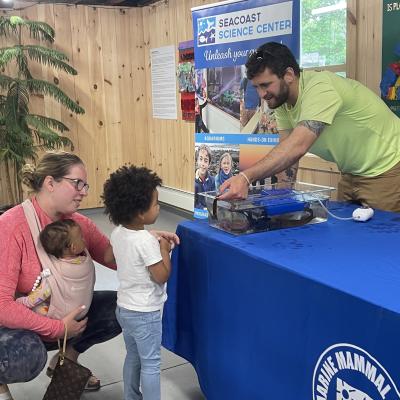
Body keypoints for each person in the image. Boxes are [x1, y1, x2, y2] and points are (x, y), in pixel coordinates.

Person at [0, 151, 179, 400]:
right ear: (50, 183)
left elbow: (116, 258)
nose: (84, 191)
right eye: (77, 184)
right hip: (26, 324)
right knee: (26, 354)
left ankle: (65, 362)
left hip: (66, 317)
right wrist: (57, 327)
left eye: (86, 185)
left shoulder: (79, 223)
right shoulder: (11, 226)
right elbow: (2, 306)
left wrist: (143, 238)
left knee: (121, 309)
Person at [219, 42, 400, 212]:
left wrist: (245, 177)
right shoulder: (281, 102)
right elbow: (285, 151)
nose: (262, 94)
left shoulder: (320, 87)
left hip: (388, 166)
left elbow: (298, 145)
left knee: (380, 238)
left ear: (289, 75)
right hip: (352, 172)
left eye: (266, 85)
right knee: (345, 234)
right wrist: (281, 202)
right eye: (257, 87)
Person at [102, 165, 172, 400]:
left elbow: (109, 257)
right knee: (151, 364)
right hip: (145, 313)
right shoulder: (146, 241)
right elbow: (161, 276)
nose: (159, 207)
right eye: (156, 204)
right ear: (141, 213)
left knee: (132, 356)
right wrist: (164, 249)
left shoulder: (118, 233)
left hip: (124, 309)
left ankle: (131, 397)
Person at [16, 219, 95, 319]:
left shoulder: (55, 271)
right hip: (83, 310)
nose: (84, 239)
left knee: (36, 307)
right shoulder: (86, 261)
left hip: (62, 316)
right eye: (81, 237)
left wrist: (20, 301)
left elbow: (39, 296)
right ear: (74, 248)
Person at [194, 144, 215, 209]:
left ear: (209, 164)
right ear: (197, 160)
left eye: (206, 161)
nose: (203, 164)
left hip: (209, 213)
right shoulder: (192, 181)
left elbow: (213, 200)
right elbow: (193, 203)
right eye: (200, 159)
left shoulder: (212, 180)